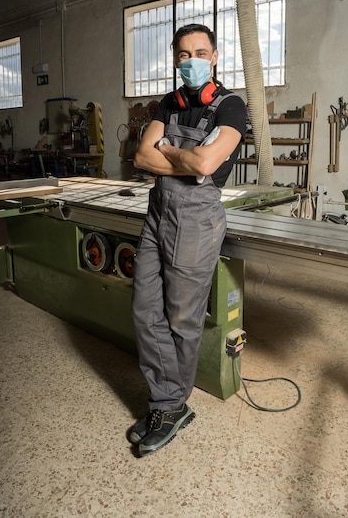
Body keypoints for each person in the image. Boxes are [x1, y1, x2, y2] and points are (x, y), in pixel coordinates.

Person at [128, 23, 247, 456]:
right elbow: (143, 156)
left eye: (200, 52)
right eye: (183, 54)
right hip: (157, 213)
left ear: (214, 57)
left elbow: (209, 162)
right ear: (176, 59)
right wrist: (188, 160)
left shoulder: (231, 107)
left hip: (196, 220)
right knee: (145, 309)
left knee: (181, 319)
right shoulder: (168, 103)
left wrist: (172, 153)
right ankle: (168, 400)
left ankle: (171, 404)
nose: (191, 60)